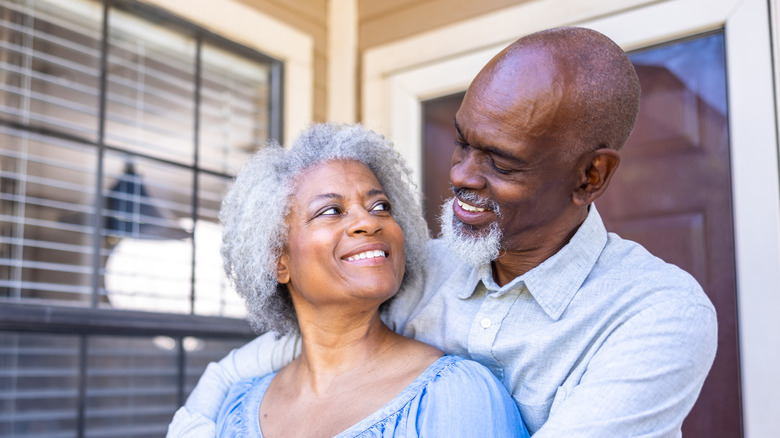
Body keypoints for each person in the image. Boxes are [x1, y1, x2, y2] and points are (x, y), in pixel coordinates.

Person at [170, 27, 717, 437]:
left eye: (501, 163)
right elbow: (279, 355)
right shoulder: (420, 265)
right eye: (462, 142)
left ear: (589, 176)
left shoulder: (656, 313)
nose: (460, 176)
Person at [169, 123, 528, 437]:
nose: (370, 222)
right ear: (278, 262)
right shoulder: (233, 407)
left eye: (380, 207)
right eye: (330, 211)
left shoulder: (458, 396)